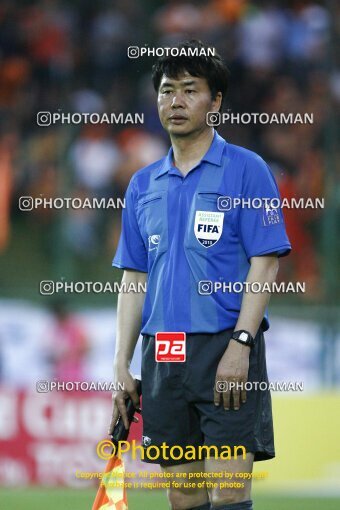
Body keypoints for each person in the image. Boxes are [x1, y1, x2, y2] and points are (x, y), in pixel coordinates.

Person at [109, 40, 291, 510]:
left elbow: (265, 262)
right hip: (163, 352)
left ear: (216, 102)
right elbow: (134, 279)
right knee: (184, 495)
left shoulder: (248, 170)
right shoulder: (142, 183)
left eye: (191, 90)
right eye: (168, 91)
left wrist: (242, 344)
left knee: (230, 492)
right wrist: (120, 366)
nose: (177, 101)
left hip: (224, 348)